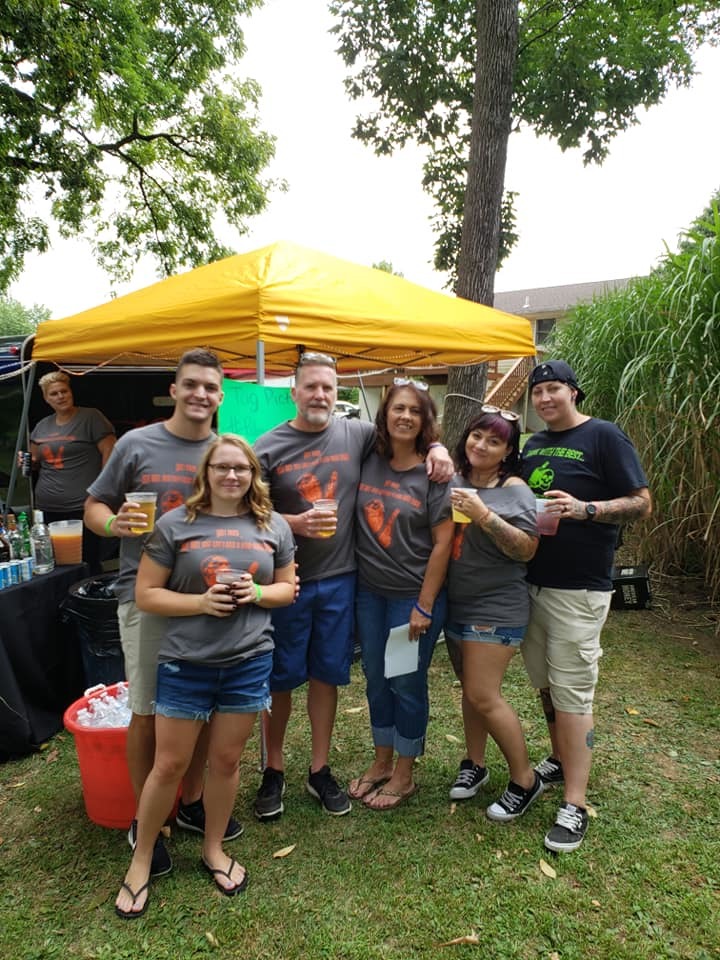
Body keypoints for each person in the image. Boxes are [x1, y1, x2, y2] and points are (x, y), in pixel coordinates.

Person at [253, 353, 453, 821]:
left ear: (336, 392)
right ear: (294, 392)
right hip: (291, 582)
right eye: (311, 386)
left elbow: (412, 431)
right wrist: (293, 523)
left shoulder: (358, 435)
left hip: (346, 582)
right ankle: (274, 770)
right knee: (283, 679)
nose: (320, 395)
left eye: (328, 387)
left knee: (338, 676)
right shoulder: (267, 447)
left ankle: (323, 770)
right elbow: (243, 507)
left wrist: (438, 449)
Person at [114, 435, 295, 918]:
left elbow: (286, 588)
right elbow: (146, 594)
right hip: (185, 662)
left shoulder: (273, 525)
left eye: (242, 468)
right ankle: (142, 857)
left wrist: (257, 593)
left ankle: (213, 848)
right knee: (169, 765)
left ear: (254, 475)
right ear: (206, 474)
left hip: (248, 661)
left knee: (227, 762)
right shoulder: (176, 524)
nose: (232, 475)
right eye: (222, 467)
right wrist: (200, 602)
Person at [84, 349, 241, 877]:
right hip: (146, 595)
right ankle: (144, 817)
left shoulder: (225, 450)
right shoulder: (136, 444)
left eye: (210, 387)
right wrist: (114, 526)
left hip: (210, 598)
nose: (201, 394)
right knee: (148, 709)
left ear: (221, 396)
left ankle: (191, 802)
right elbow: (95, 505)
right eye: (191, 384)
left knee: (202, 708)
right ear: (174, 390)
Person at [521, 360, 651, 853]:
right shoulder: (534, 444)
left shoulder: (604, 436)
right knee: (545, 683)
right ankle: (559, 758)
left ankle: (574, 802)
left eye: (553, 389)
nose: (544, 398)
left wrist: (586, 509)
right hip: (530, 583)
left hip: (578, 590)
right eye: (538, 391)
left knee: (573, 692)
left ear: (573, 392)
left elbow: (641, 502)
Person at [349, 380, 453, 809]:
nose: (405, 416)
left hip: (411, 597)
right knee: (376, 678)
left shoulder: (434, 474)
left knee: (405, 682)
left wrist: (423, 606)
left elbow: (443, 543)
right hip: (370, 594)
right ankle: (382, 761)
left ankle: (405, 774)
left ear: (425, 419)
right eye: (398, 409)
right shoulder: (368, 458)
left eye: (414, 410)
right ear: (385, 414)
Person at [444, 407, 540, 822]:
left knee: (484, 694)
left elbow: (527, 549)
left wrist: (483, 514)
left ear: (508, 451)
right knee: (471, 690)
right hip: (457, 601)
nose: (481, 446)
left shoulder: (514, 489)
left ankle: (525, 780)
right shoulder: (454, 479)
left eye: (494, 441)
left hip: (496, 605)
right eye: (477, 436)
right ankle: (475, 763)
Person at [20, 370, 116, 573]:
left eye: (64, 391)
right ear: (46, 399)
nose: (60, 396)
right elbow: (34, 460)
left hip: (82, 505)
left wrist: (102, 490)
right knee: (55, 565)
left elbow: (111, 452)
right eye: (54, 394)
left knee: (86, 562)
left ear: (71, 392)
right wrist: (26, 461)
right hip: (47, 507)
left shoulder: (90, 417)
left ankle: (88, 593)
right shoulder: (42, 426)